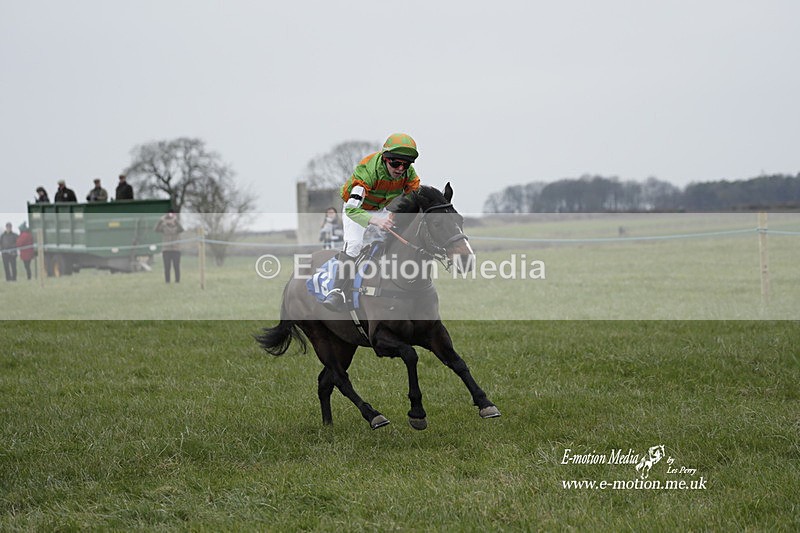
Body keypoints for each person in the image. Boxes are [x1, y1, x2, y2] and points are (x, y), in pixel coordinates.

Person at [322, 132, 421, 311]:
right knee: (354, 245)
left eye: (405, 164)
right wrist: (375, 220)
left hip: (380, 209)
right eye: (395, 163)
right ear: (385, 159)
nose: (400, 168)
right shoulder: (367, 172)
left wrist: (397, 215)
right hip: (356, 209)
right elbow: (352, 210)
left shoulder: (408, 174)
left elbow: (414, 197)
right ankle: (336, 291)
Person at [155, 210, 184, 283]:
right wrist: (160, 221)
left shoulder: (177, 228)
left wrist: (175, 220)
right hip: (166, 249)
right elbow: (156, 229)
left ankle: (177, 281)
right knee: (167, 267)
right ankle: (167, 281)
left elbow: (181, 229)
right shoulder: (164, 227)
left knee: (176, 266)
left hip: (176, 249)